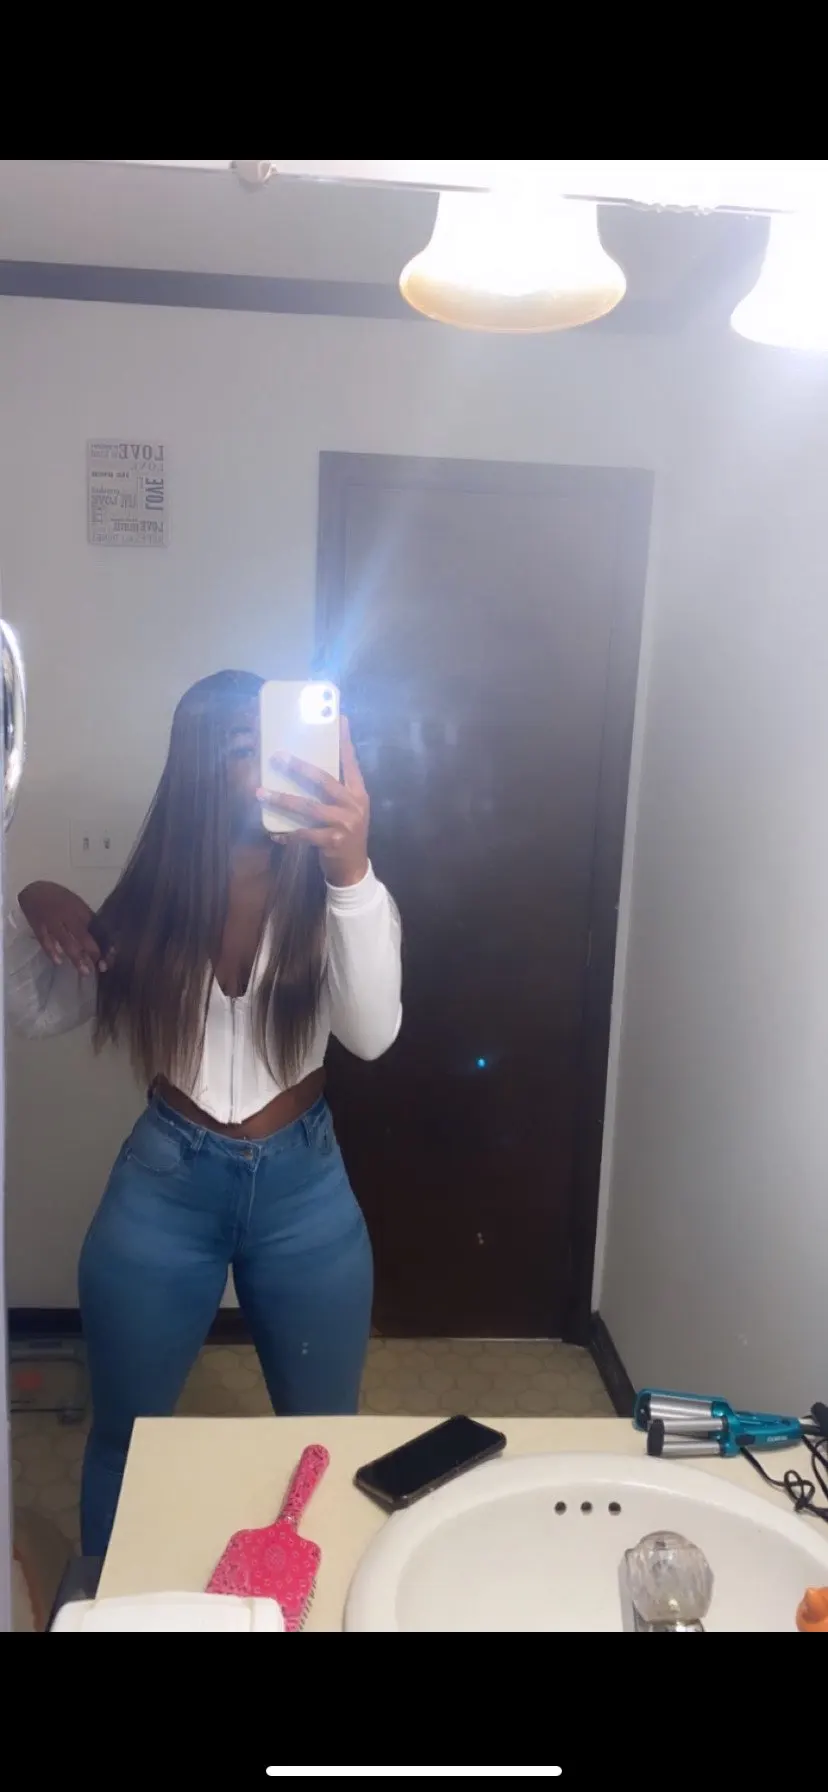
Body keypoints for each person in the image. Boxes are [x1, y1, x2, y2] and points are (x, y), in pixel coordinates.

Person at [6, 670, 402, 1556]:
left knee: (323, 1439)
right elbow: (33, 1008)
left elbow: (373, 1035)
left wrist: (350, 870)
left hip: (305, 1193)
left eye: (274, 743)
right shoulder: (150, 900)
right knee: (127, 1439)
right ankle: (109, 1603)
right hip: (166, 1187)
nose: (267, 765)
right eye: (238, 749)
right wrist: (30, 899)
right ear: (194, 769)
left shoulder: (336, 889)